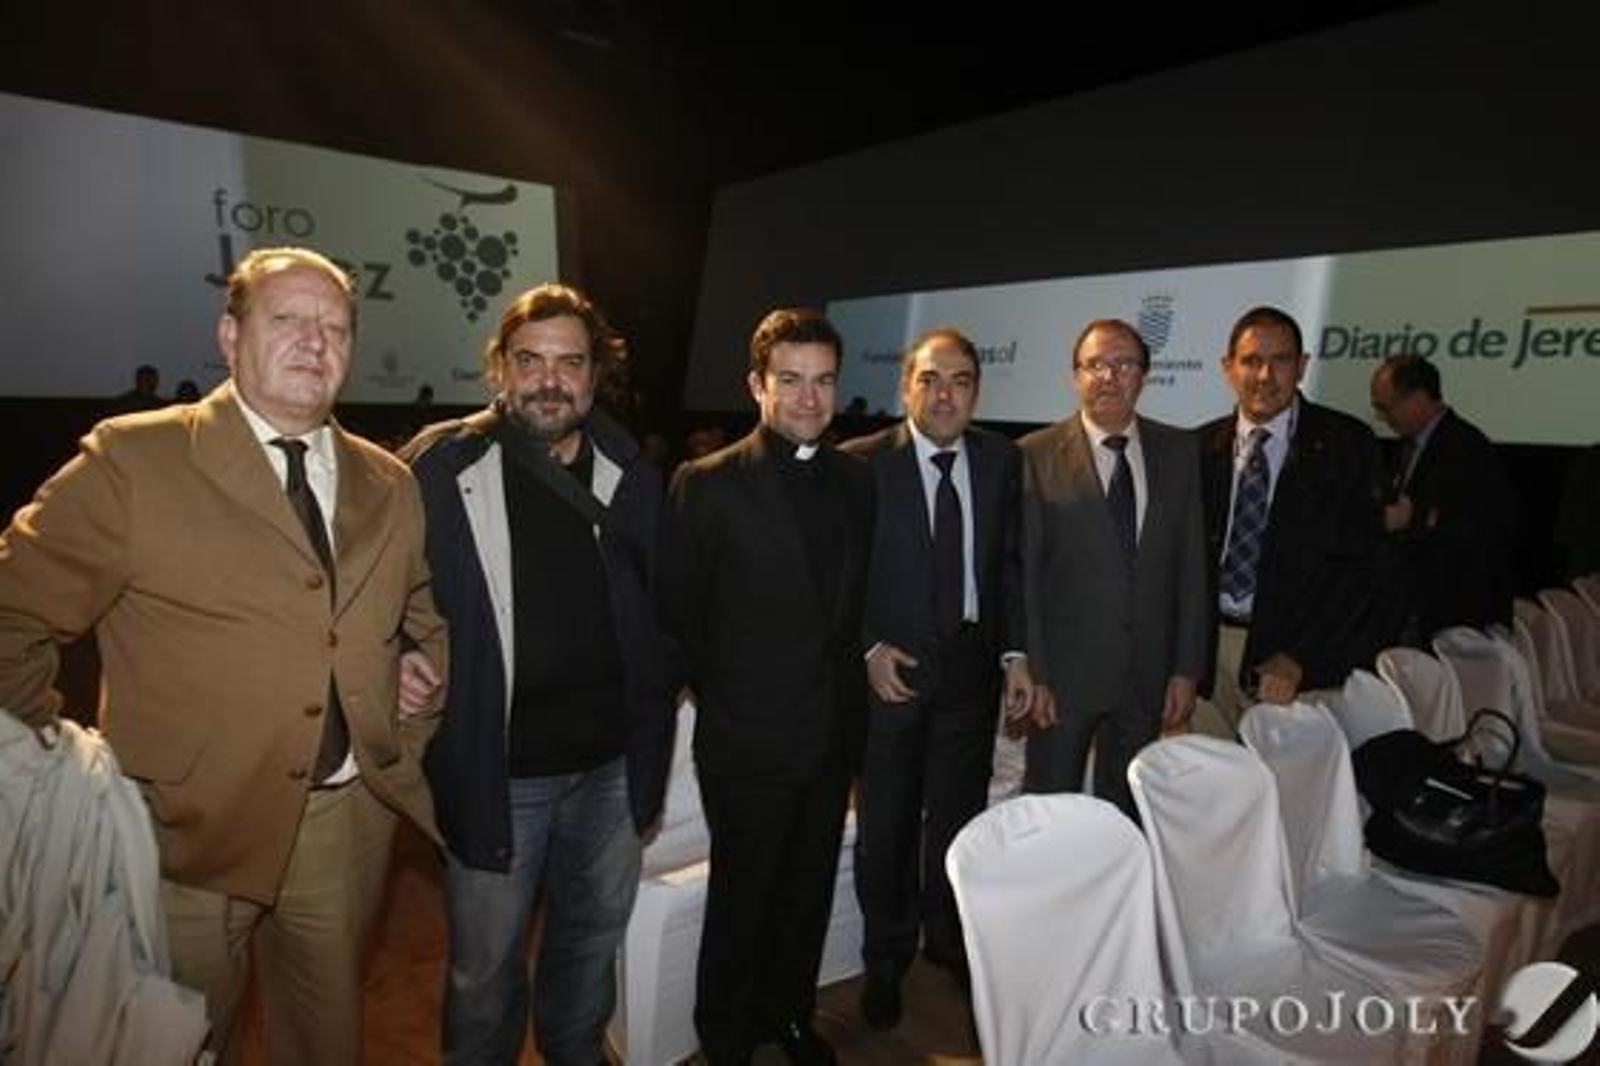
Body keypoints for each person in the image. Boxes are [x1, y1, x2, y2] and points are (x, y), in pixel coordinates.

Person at [0, 246, 449, 1066]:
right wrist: (58, 761)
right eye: (288, 321)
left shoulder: (390, 481)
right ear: (230, 335)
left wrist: (407, 688)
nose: (316, 343)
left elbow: (421, 618)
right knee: (177, 1045)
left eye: (336, 327)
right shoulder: (136, 459)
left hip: (342, 828)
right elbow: (12, 611)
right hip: (183, 840)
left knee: (325, 1043)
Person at [401, 283, 679, 1065]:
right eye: (531, 361)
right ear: (499, 368)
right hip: (497, 774)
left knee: (588, 953)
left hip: (612, 771)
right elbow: (378, 591)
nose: (549, 380)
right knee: (483, 974)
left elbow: (663, 603)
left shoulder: (631, 469)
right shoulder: (441, 465)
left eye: (570, 363)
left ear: (594, 377)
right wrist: (399, 654)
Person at [658, 307, 874, 1066]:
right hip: (746, 740)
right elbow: (676, 619)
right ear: (757, 385)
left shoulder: (856, 480)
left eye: (823, 381)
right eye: (791, 380)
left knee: (807, 891)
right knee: (743, 896)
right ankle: (724, 1036)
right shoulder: (707, 484)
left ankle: (787, 1015)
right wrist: (734, 698)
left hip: (829, 736)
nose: (810, 399)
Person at [840, 327, 1035, 1031]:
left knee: (957, 823)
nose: (944, 393)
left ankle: (947, 941)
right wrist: (865, 649)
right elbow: (838, 580)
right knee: (887, 828)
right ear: (905, 387)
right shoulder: (858, 466)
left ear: (977, 390)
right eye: (930, 379)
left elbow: (1008, 565)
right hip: (889, 683)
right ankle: (886, 959)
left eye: (959, 380)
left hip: (970, 678)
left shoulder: (1001, 461)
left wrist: (1016, 654)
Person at [1017, 318, 1208, 815]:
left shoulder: (1180, 450)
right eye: (1095, 364)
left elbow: (1191, 569)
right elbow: (1026, 578)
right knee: (1050, 810)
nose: (1108, 376)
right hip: (1062, 681)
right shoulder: (1033, 455)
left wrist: (1186, 668)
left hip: (1147, 678)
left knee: (1127, 813)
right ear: (1075, 375)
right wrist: (1033, 669)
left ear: (1143, 375)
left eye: (1123, 364)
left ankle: (1115, 896)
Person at [1194, 306, 1385, 734]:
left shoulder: (1346, 446)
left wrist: (1301, 656)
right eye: (1250, 361)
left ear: (1301, 367)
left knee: (1285, 796)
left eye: (1280, 360)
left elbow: (1361, 572)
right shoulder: (1196, 448)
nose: (1264, 375)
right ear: (1228, 368)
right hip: (1206, 658)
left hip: (1289, 662)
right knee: (1211, 794)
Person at [1370, 352, 1516, 643]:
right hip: (1414, 604)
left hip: (1453, 612)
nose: (1383, 418)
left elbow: (1473, 529)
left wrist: (1412, 518)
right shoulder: (1407, 447)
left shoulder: (1466, 448)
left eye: (1387, 407)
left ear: (1419, 398)